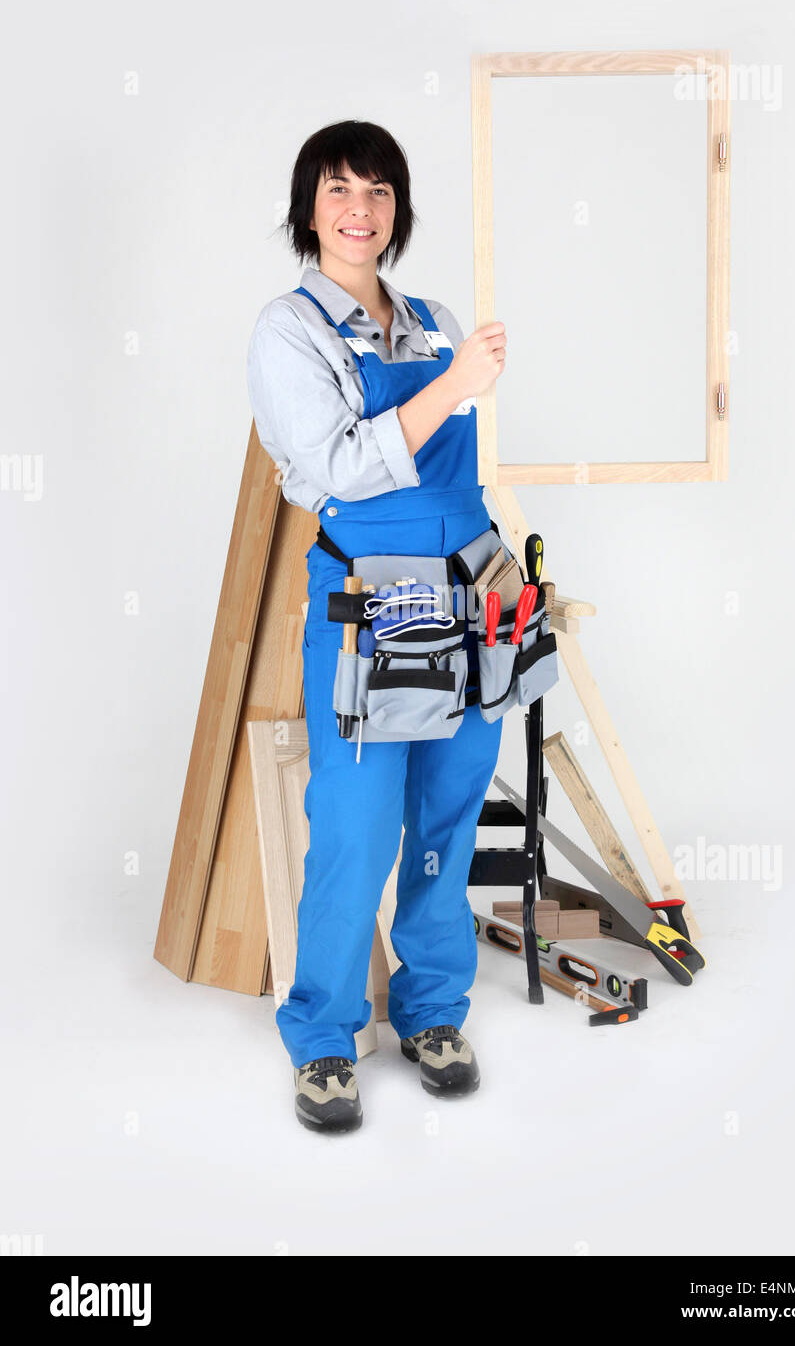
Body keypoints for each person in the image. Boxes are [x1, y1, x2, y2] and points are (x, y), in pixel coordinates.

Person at [246, 119, 507, 1134]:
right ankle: (321, 1037)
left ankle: (432, 1009)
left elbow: (455, 452)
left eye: (379, 192)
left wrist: (459, 374)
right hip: (374, 602)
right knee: (355, 825)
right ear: (308, 209)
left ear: (398, 209)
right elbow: (339, 468)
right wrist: (452, 389)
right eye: (338, 191)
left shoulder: (433, 316)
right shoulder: (288, 329)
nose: (360, 210)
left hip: (467, 590)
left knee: (446, 814)